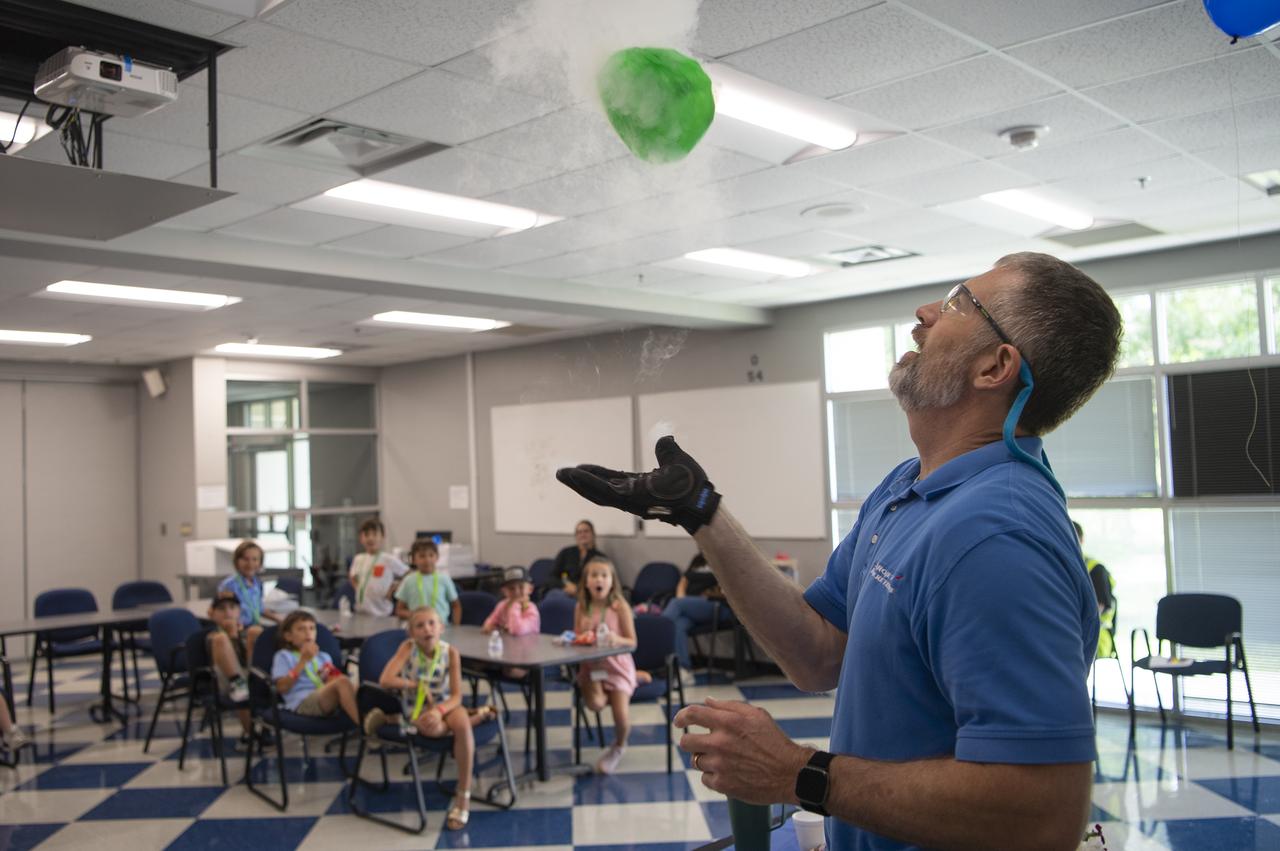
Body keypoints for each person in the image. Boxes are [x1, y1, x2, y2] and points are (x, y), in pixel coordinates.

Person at [558, 253, 1123, 850]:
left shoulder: (994, 536)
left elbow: (1043, 814)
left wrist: (797, 774)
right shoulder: (911, 486)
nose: (925, 313)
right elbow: (819, 652)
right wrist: (700, 511)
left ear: (994, 366)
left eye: (959, 303)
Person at [365, 607, 496, 830]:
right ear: (412, 633)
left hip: (446, 706)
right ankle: (480, 714)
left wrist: (440, 711)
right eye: (420, 625)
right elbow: (386, 679)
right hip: (418, 709)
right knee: (434, 730)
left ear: (441, 628)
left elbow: (456, 695)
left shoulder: (451, 652)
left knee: (461, 725)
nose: (427, 629)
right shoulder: (407, 648)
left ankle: (462, 796)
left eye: (432, 623)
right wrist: (414, 685)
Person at [575, 555, 639, 775]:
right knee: (595, 704)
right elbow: (577, 639)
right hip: (592, 668)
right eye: (594, 575)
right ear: (586, 581)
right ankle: (636, 678)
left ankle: (618, 746)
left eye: (604, 575)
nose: (598, 579)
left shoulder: (619, 606)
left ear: (612, 581)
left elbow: (632, 642)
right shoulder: (582, 607)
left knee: (620, 715)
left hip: (617, 667)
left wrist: (616, 638)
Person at [271, 610, 359, 726]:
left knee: (358, 687)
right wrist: (303, 661)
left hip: (324, 695)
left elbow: (334, 679)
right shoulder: (283, 656)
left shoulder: (322, 656)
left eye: (312, 628)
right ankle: (362, 728)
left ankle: (382, 720)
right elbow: (282, 687)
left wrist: (335, 678)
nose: (308, 633)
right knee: (343, 682)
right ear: (288, 636)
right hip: (301, 701)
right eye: (301, 629)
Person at [661, 552, 734, 680]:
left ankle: (656, 636)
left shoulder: (724, 559)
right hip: (691, 607)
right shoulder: (698, 560)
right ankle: (684, 669)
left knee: (675, 604)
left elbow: (727, 587)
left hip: (716, 605)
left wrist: (682, 601)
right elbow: (684, 580)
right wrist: (683, 598)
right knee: (678, 626)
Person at [216, 540, 281, 661]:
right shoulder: (229, 585)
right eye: (245, 559)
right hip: (237, 631)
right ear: (237, 561)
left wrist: (279, 619)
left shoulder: (257, 583)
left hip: (254, 627)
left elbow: (259, 608)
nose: (250, 563)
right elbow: (224, 613)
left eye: (255, 559)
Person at [206, 596, 258, 745]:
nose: (228, 612)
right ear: (212, 613)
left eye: (232, 608)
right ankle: (250, 733)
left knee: (256, 631)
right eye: (221, 609)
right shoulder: (213, 636)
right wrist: (232, 635)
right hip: (225, 681)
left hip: (250, 675)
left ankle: (264, 727)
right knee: (242, 690)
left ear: (239, 611)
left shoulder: (247, 632)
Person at [348, 518, 409, 617]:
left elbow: (409, 573)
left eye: (375, 534)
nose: (370, 538)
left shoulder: (388, 559)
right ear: (361, 538)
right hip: (361, 610)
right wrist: (358, 588)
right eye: (366, 535)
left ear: (382, 537)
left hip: (383, 611)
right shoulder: (358, 558)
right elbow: (352, 576)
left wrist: (394, 588)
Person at [1074, 520, 1117, 659]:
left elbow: (1098, 609)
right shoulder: (1062, 567)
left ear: (1081, 540)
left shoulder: (1096, 569)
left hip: (1097, 636)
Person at [394, 538, 460, 625]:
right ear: (413, 560)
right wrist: (413, 614)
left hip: (442, 628)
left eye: (431, 555)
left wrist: (456, 626)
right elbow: (399, 610)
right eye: (422, 556)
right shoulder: (408, 580)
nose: (427, 560)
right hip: (417, 630)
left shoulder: (444, 579)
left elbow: (456, 606)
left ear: (437, 557)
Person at [548, 519, 604, 597]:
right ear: (576, 536)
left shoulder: (601, 558)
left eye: (586, 531)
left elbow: (601, 582)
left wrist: (578, 589)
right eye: (579, 532)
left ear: (593, 534)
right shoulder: (565, 552)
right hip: (563, 591)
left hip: (586, 595)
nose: (582, 534)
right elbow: (552, 577)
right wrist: (565, 586)